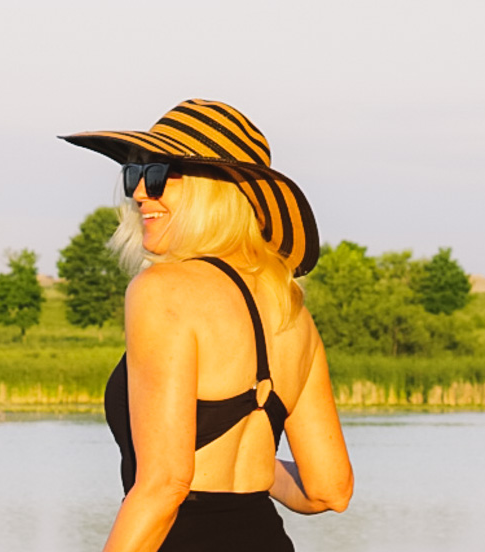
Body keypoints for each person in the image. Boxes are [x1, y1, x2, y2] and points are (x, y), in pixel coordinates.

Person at [60, 99, 353, 552]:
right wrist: (251, 462)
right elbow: (328, 490)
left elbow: (164, 486)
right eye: (133, 176)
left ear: (213, 189)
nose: (139, 194)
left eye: (156, 175)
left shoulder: (161, 289)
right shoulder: (290, 311)